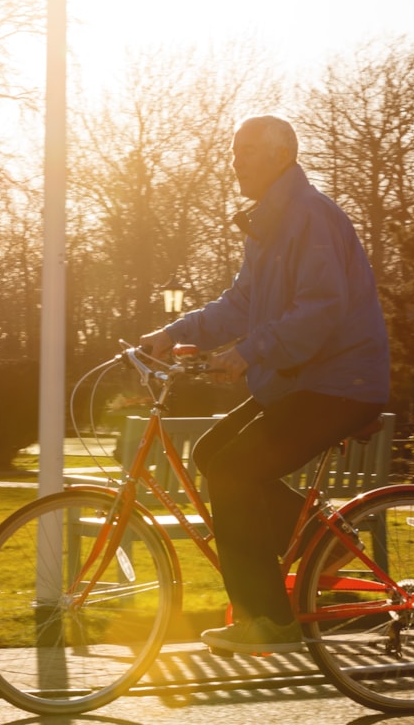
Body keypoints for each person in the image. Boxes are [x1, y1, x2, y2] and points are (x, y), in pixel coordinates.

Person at [139, 114, 390, 655]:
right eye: (234, 151)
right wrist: (172, 332)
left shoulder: (310, 218)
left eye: (248, 150)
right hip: (302, 381)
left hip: (342, 381)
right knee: (212, 453)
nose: (236, 160)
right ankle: (323, 542)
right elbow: (241, 304)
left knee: (233, 470)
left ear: (282, 157)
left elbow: (320, 310)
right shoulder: (267, 224)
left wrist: (247, 353)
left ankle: (270, 620)